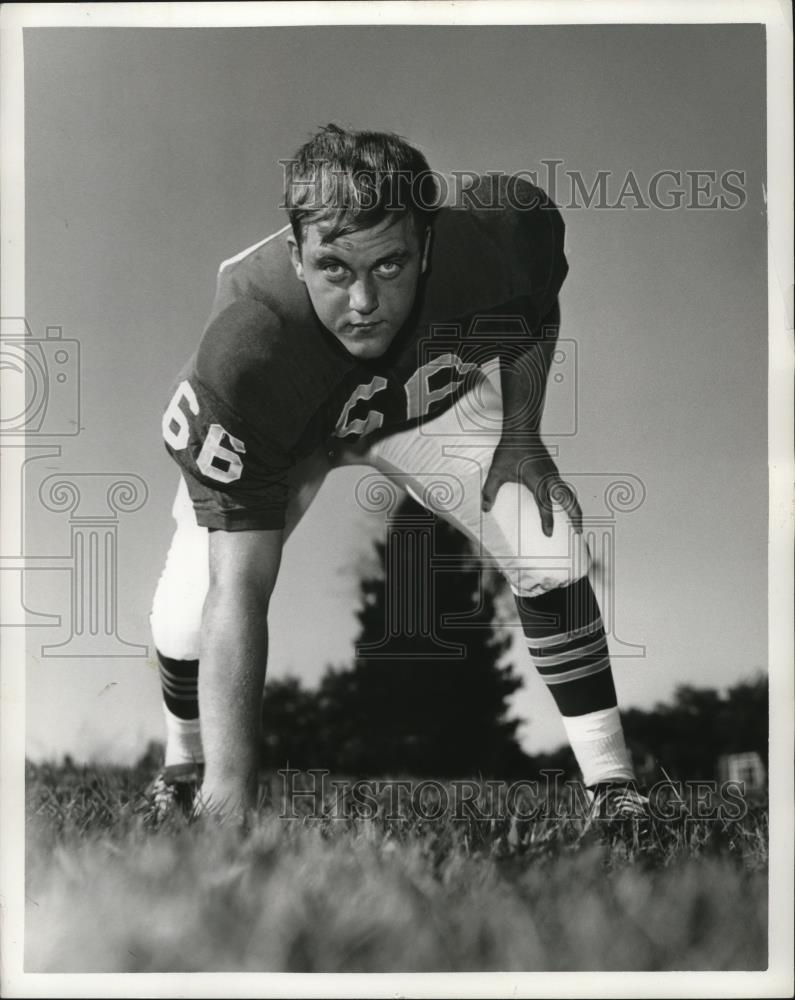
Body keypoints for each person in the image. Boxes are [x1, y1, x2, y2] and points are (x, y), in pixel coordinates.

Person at [150, 124, 646, 820]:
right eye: (333, 269)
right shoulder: (247, 353)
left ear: (428, 243)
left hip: (419, 405)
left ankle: (614, 789)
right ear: (294, 256)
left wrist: (522, 433)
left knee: (546, 538)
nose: (362, 303)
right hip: (290, 430)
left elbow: (534, 310)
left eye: (388, 266)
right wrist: (231, 794)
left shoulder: (500, 236)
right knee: (189, 610)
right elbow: (241, 588)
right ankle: (184, 765)